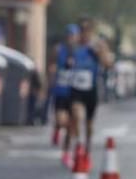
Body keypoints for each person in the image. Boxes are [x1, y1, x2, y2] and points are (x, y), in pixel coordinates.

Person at [68, 18, 113, 159]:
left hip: (91, 88)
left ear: (92, 32)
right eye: (83, 31)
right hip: (75, 87)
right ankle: (78, 143)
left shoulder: (98, 46)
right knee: (76, 115)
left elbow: (108, 64)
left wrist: (100, 53)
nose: (85, 35)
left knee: (89, 124)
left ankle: (87, 146)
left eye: (88, 31)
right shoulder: (74, 45)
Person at [48, 27, 79, 159]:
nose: (71, 38)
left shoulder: (80, 52)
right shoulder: (58, 50)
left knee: (71, 125)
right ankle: (57, 128)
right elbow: (51, 67)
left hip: (74, 93)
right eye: (69, 35)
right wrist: (50, 81)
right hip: (60, 92)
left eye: (73, 35)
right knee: (61, 121)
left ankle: (66, 153)